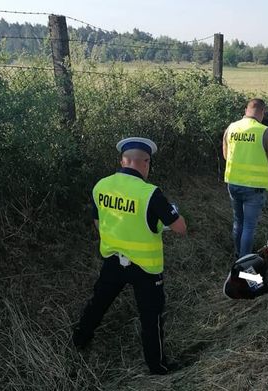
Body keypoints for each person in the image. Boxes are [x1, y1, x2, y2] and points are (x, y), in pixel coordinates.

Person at [72, 137, 187, 375]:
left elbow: (97, 221)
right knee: (150, 316)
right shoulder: (150, 193)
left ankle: (79, 339)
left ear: (123, 161)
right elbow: (180, 228)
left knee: (99, 302)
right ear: (146, 163)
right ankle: (157, 365)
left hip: (114, 260)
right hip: (146, 267)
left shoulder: (101, 186)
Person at [222, 98, 268, 258]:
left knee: (238, 222)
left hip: (233, 183)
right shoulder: (265, 132)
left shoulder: (231, 128)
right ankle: (244, 260)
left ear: (246, 110)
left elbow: (226, 155)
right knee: (248, 226)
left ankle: (237, 254)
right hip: (254, 187)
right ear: (262, 112)